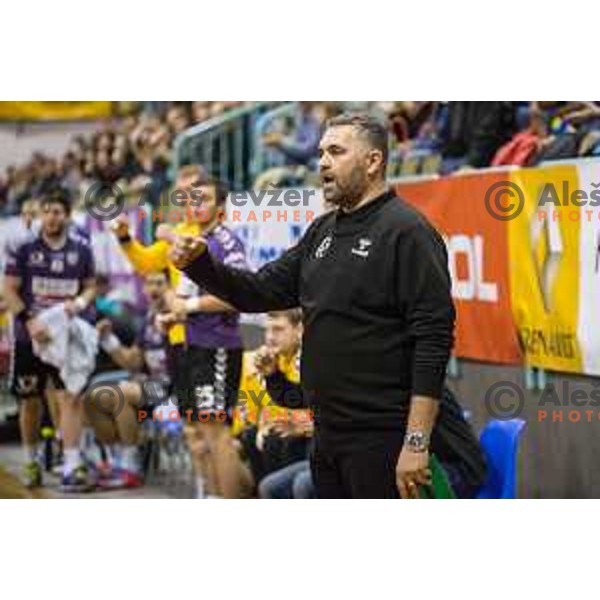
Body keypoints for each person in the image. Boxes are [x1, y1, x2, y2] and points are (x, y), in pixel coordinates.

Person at [170, 111, 487, 499]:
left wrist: (416, 443)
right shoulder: (322, 230)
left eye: (336, 152)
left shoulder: (408, 232)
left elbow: (433, 344)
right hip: (328, 436)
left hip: (383, 437)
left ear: (373, 161)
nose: (322, 162)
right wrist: (200, 264)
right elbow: (258, 291)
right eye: (321, 152)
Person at [113, 165, 247, 498]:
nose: (195, 204)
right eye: (192, 197)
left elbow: (236, 296)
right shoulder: (194, 242)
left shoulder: (225, 241)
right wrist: (174, 316)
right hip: (189, 343)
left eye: (204, 199)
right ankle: (210, 495)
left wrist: (187, 308)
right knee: (199, 432)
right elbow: (183, 294)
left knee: (217, 434)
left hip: (216, 346)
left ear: (221, 209)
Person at [3, 189, 96, 491]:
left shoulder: (81, 249)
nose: (52, 217)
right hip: (29, 335)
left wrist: (79, 304)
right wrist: (29, 320)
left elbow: (91, 287)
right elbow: (9, 290)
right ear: (40, 214)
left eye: (57, 211)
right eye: (47, 211)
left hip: (64, 335)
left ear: (67, 215)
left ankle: (72, 464)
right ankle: (30, 461)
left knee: (70, 397)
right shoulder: (24, 247)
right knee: (30, 402)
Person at [89, 271, 172, 489]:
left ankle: (131, 466)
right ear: (143, 290)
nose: (154, 288)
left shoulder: (178, 317)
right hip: (150, 385)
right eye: (149, 283)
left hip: (172, 390)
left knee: (121, 393)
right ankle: (115, 460)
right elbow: (132, 362)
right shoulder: (147, 320)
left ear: (171, 288)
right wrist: (108, 339)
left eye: (159, 283)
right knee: (95, 397)